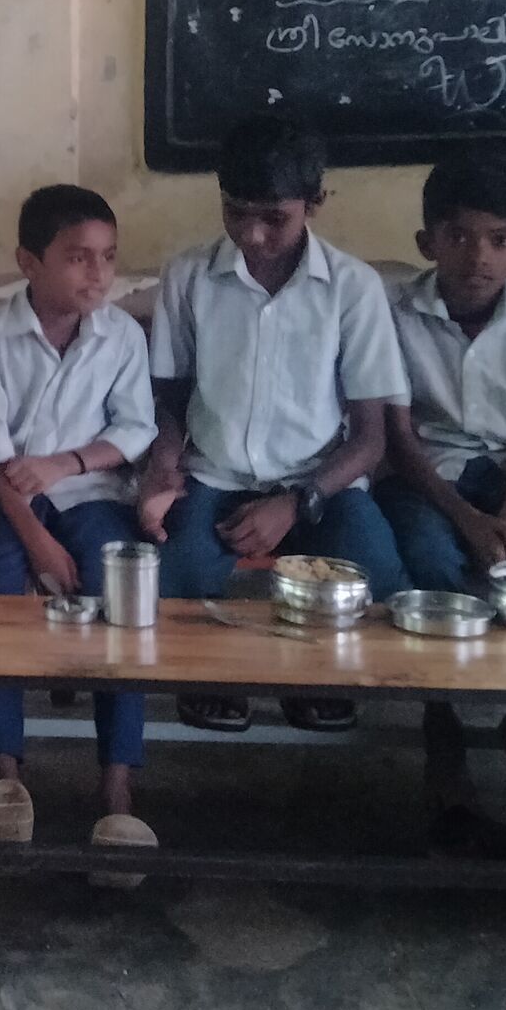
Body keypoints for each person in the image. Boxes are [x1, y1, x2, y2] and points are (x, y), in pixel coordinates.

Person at [137, 115, 409, 735]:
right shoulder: (188, 276)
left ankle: (310, 677)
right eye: (235, 212)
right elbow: (171, 397)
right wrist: (162, 468)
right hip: (215, 477)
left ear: (315, 203)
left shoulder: (353, 288)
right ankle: (217, 676)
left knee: (379, 572)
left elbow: (371, 437)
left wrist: (297, 502)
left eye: (274, 218)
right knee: (171, 580)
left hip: (320, 483)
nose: (252, 234)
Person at [378, 146, 506, 860]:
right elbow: (399, 438)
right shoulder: (392, 311)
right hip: (425, 476)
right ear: (427, 242)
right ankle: (444, 744)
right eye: (459, 236)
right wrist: (468, 521)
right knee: (431, 572)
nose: (479, 257)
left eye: (500, 240)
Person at [0, 185, 157, 859]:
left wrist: (64, 464)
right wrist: (37, 539)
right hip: (3, 497)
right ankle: (4, 772)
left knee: (122, 591)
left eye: (108, 256)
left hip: (89, 489)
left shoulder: (120, 335)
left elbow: (135, 428)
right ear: (29, 262)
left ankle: (118, 787)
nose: (98, 274)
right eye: (77, 257)